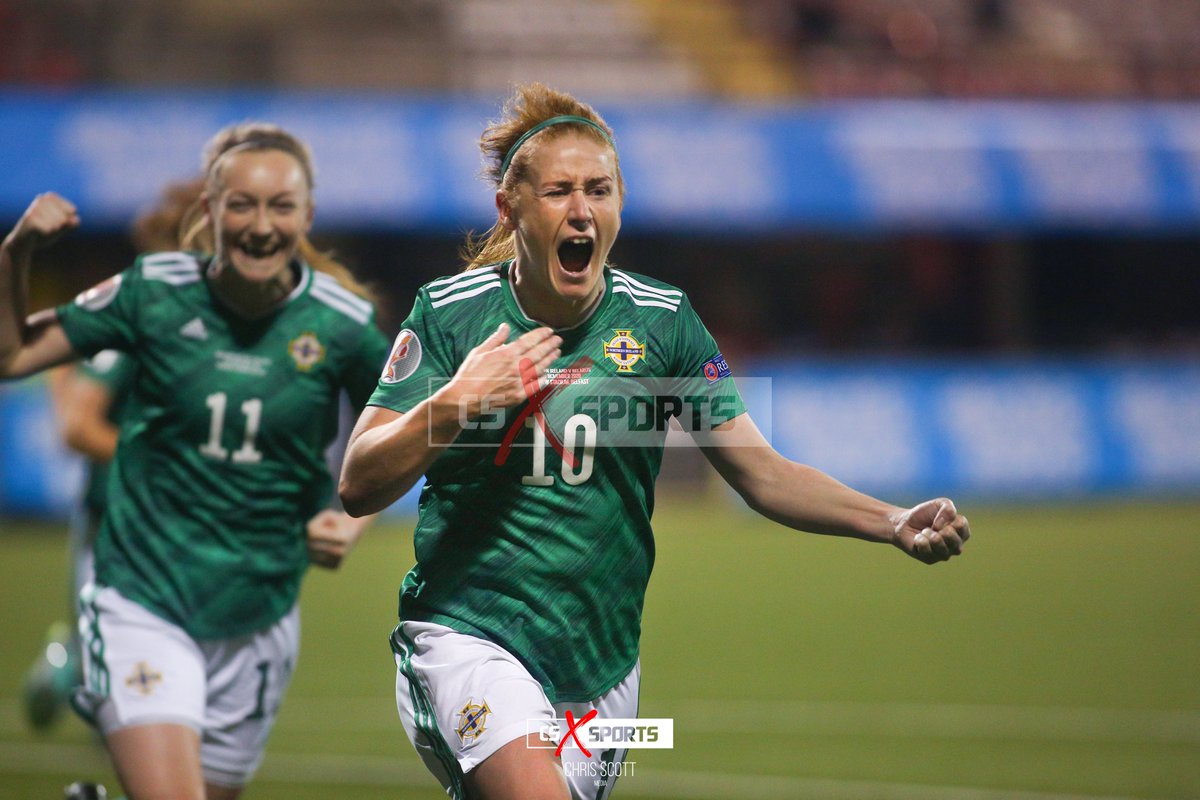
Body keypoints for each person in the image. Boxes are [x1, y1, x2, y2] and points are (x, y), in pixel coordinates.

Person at [338, 82, 972, 800]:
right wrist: (455, 402)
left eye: (600, 190)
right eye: (558, 191)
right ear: (510, 210)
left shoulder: (663, 322)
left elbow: (762, 473)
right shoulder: (452, 317)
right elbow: (358, 481)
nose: (582, 210)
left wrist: (891, 521)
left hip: (600, 672)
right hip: (467, 637)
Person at [0, 122, 391, 800]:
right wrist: (17, 253)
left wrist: (352, 519)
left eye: (280, 206)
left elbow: (400, 434)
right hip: (141, 599)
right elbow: (12, 357)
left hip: (259, 619)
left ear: (307, 215)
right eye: (241, 204)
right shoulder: (152, 289)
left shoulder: (342, 325)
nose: (261, 225)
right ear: (209, 212)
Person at [22, 178, 202, 733]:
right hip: (119, 518)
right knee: (128, 677)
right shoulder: (139, 315)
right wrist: (169, 463)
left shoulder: (212, 327)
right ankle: (68, 669)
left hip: (181, 520)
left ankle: (76, 664)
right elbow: (79, 426)